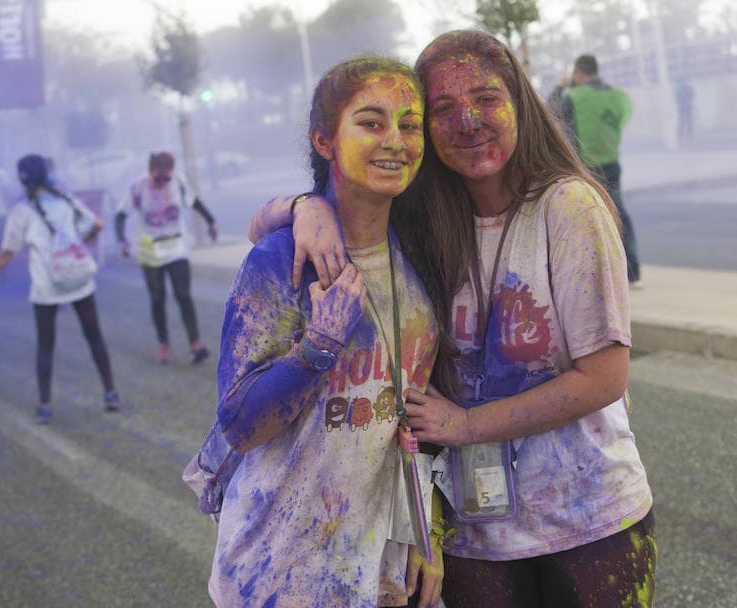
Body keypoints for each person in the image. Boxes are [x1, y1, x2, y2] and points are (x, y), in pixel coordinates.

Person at [249, 30, 656, 607]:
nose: (468, 121)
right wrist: (302, 206)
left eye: (487, 98)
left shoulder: (567, 207)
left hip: (587, 521)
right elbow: (260, 225)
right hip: (475, 536)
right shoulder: (422, 220)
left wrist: (465, 425)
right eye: (442, 109)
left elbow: (604, 378)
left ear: (520, 102)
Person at [197, 56, 444, 608]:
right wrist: (318, 349)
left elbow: (413, 422)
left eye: (409, 124)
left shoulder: (420, 255)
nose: (395, 141)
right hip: (276, 569)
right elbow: (238, 425)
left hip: (374, 567)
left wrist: (430, 536)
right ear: (324, 140)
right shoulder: (279, 260)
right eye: (371, 122)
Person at [0, 154, 120, 424]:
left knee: (45, 347)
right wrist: (76, 245)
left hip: (46, 288)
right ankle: (110, 393)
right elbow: (96, 224)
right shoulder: (66, 200)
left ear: (22, 178)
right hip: (79, 281)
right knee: (95, 338)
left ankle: (45, 405)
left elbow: (5, 255)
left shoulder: (21, 212)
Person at [115, 152, 216, 364]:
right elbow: (121, 214)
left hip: (176, 247)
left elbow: (194, 201)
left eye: (166, 177)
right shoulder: (138, 186)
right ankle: (163, 345)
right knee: (157, 299)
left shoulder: (177, 181)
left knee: (183, 295)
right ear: (150, 171)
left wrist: (211, 221)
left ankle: (195, 344)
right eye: (158, 178)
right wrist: (121, 240)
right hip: (151, 253)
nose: (163, 181)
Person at [550, 54, 641, 284]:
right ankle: (632, 271)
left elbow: (551, 112)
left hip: (585, 168)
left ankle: (598, 273)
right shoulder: (618, 96)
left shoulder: (575, 96)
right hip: (611, 162)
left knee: (586, 220)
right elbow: (621, 119)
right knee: (618, 212)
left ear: (578, 73)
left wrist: (561, 87)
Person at [675, 77, 695, 141]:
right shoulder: (687, 87)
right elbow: (692, 94)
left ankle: (681, 133)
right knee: (688, 120)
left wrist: (679, 102)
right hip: (687, 105)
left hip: (681, 106)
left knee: (682, 120)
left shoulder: (679, 88)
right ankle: (689, 132)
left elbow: (676, 97)